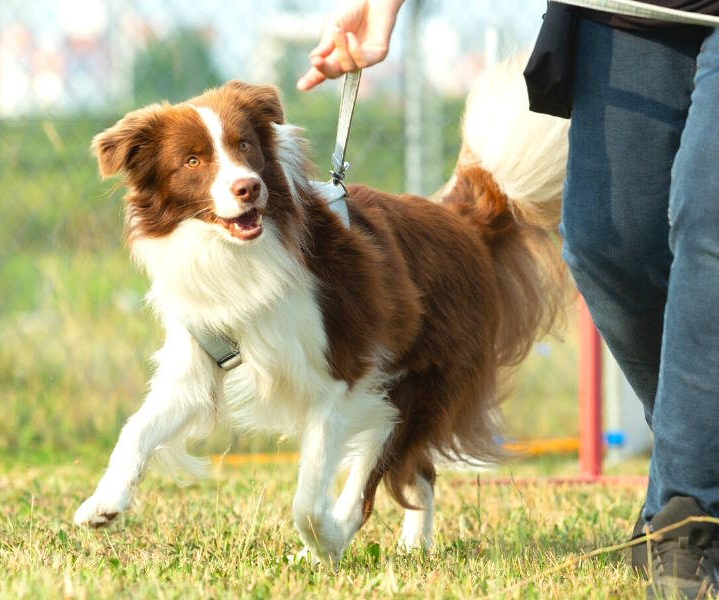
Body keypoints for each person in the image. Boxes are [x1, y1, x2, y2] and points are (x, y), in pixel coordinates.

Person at [299, 0, 719, 596]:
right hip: (628, 11)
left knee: (710, 225)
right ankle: (700, 453)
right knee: (605, 247)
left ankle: (689, 522)